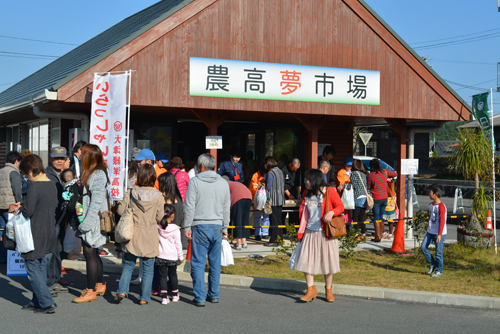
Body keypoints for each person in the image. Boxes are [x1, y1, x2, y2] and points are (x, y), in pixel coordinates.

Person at [183, 153, 230, 307]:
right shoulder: (223, 183)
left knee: (198, 263)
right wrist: (225, 227)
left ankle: (200, 297)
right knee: (215, 263)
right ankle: (214, 294)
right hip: (217, 226)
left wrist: (187, 226)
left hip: (199, 225)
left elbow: (189, 206)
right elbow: (226, 208)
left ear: (201, 166)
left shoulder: (195, 182)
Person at [13, 154, 58, 314]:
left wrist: (20, 208)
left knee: (32, 267)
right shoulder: (51, 184)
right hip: (49, 231)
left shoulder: (34, 186)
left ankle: (47, 302)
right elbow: (47, 205)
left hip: (35, 232)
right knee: (41, 266)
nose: (25, 176)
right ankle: (36, 301)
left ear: (31, 171)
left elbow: (29, 212)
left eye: (25, 173)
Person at [115, 164, 164, 305]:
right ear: (152, 177)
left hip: (132, 233)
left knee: (128, 265)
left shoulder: (130, 192)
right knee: (148, 269)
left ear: (139, 176)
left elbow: (120, 212)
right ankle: (144, 298)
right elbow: (160, 217)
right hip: (149, 234)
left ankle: (122, 291)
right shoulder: (159, 195)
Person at [295, 169, 344, 303]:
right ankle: (310, 289)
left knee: (327, 262)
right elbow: (305, 215)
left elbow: (340, 206)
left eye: (307, 179)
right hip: (310, 232)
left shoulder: (329, 191)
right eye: (305, 179)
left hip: (326, 233)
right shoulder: (306, 193)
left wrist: (332, 213)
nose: (305, 182)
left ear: (315, 180)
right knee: (306, 261)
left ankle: (329, 290)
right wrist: (301, 232)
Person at [72, 144, 109, 303]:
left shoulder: (98, 174)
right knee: (92, 253)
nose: (80, 157)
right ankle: (100, 285)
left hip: (93, 220)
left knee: (89, 253)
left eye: (83, 154)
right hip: (90, 218)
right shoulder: (93, 172)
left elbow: (96, 203)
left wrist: (86, 224)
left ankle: (91, 290)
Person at [45, 146, 69, 294]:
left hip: (63, 217)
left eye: (62, 158)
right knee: (50, 251)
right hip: (51, 218)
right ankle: (48, 282)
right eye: (56, 158)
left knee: (59, 249)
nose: (59, 161)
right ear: (50, 158)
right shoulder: (47, 175)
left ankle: (56, 277)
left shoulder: (66, 174)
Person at [157, 204, 184, 305]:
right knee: (173, 276)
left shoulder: (158, 226)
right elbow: (178, 243)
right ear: (172, 216)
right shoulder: (175, 228)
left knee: (162, 277)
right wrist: (180, 256)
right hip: (172, 256)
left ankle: (164, 298)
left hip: (160, 255)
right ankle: (175, 295)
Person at [0, 150, 23, 263]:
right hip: (11, 206)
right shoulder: (14, 172)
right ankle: (11, 258)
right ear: (16, 162)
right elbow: (17, 190)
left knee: (2, 231)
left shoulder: (1, 171)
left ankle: (2, 256)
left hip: (1, 205)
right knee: (11, 231)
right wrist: (20, 202)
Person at [421, 184, 447, 278]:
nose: (429, 194)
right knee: (423, 247)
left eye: (430, 192)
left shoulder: (441, 207)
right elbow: (430, 217)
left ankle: (439, 271)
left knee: (438, 253)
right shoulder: (431, 205)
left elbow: (442, 221)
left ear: (436, 194)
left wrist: (439, 234)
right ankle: (433, 263)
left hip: (439, 233)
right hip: (430, 231)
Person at [223, 176, 252, 250]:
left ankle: (238, 243)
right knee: (245, 219)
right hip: (248, 196)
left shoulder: (225, 184)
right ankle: (244, 242)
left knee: (237, 219)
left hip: (238, 197)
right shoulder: (234, 183)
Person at [368, 159, 398, 229]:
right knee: (381, 216)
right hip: (384, 198)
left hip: (376, 199)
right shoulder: (385, 172)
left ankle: (378, 235)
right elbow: (395, 174)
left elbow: (368, 188)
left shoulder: (371, 176)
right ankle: (381, 233)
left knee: (376, 217)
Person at [263, 156, 285, 247]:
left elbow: (269, 187)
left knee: (274, 220)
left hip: (273, 199)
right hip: (280, 198)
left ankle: (274, 240)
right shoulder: (280, 171)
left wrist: (263, 183)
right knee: (279, 219)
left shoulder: (270, 173)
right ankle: (280, 239)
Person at [349, 159, 371, 241]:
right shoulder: (364, 174)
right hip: (365, 197)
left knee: (355, 217)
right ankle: (363, 234)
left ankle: (356, 235)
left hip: (358, 197)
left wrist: (344, 186)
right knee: (362, 217)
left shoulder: (354, 173)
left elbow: (352, 185)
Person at [248, 165, 269, 241]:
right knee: (257, 217)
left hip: (266, 200)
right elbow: (252, 187)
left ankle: (265, 233)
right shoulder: (255, 175)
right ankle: (258, 234)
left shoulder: (269, 174)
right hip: (257, 199)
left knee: (266, 216)